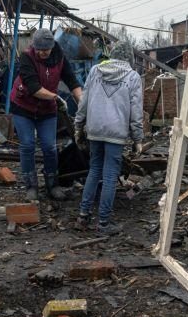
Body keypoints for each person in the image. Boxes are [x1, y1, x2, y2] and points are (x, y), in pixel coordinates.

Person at [73, 41, 144, 234]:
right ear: (129, 57)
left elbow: (84, 101)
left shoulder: (96, 71)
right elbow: (136, 110)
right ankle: (103, 223)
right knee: (111, 176)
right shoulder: (133, 77)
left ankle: (83, 217)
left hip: (95, 130)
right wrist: (138, 139)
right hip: (116, 132)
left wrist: (78, 125)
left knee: (94, 171)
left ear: (111, 54)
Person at [9, 28, 83, 201]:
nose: (42, 53)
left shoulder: (60, 58)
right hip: (23, 107)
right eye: (39, 49)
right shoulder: (27, 57)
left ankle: (53, 184)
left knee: (49, 147)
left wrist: (82, 102)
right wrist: (56, 97)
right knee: (27, 145)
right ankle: (31, 186)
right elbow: (33, 87)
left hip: (47, 110)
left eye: (45, 50)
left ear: (52, 47)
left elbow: (72, 81)